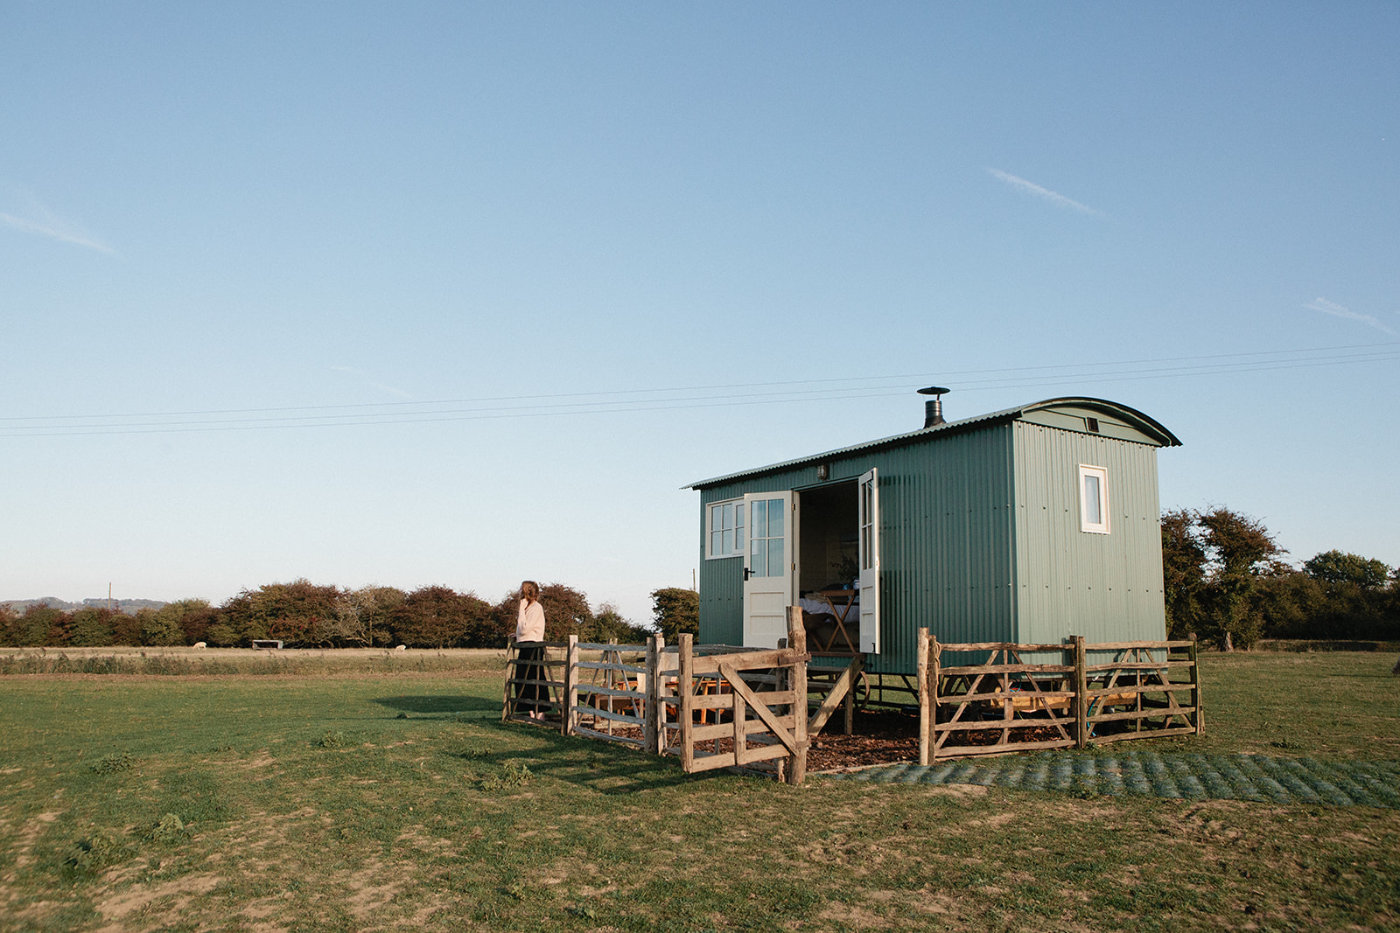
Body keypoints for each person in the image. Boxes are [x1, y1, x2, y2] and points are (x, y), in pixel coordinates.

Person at [513, 580, 548, 721]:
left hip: (533, 646)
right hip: (525, 645)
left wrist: (521, 609)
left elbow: (525, 628)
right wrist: (516, 635)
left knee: (536, 678)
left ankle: (541, 712)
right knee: (522, 679)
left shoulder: (536, 608)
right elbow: (523, 629)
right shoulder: (529, 607)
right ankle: (530, 711)